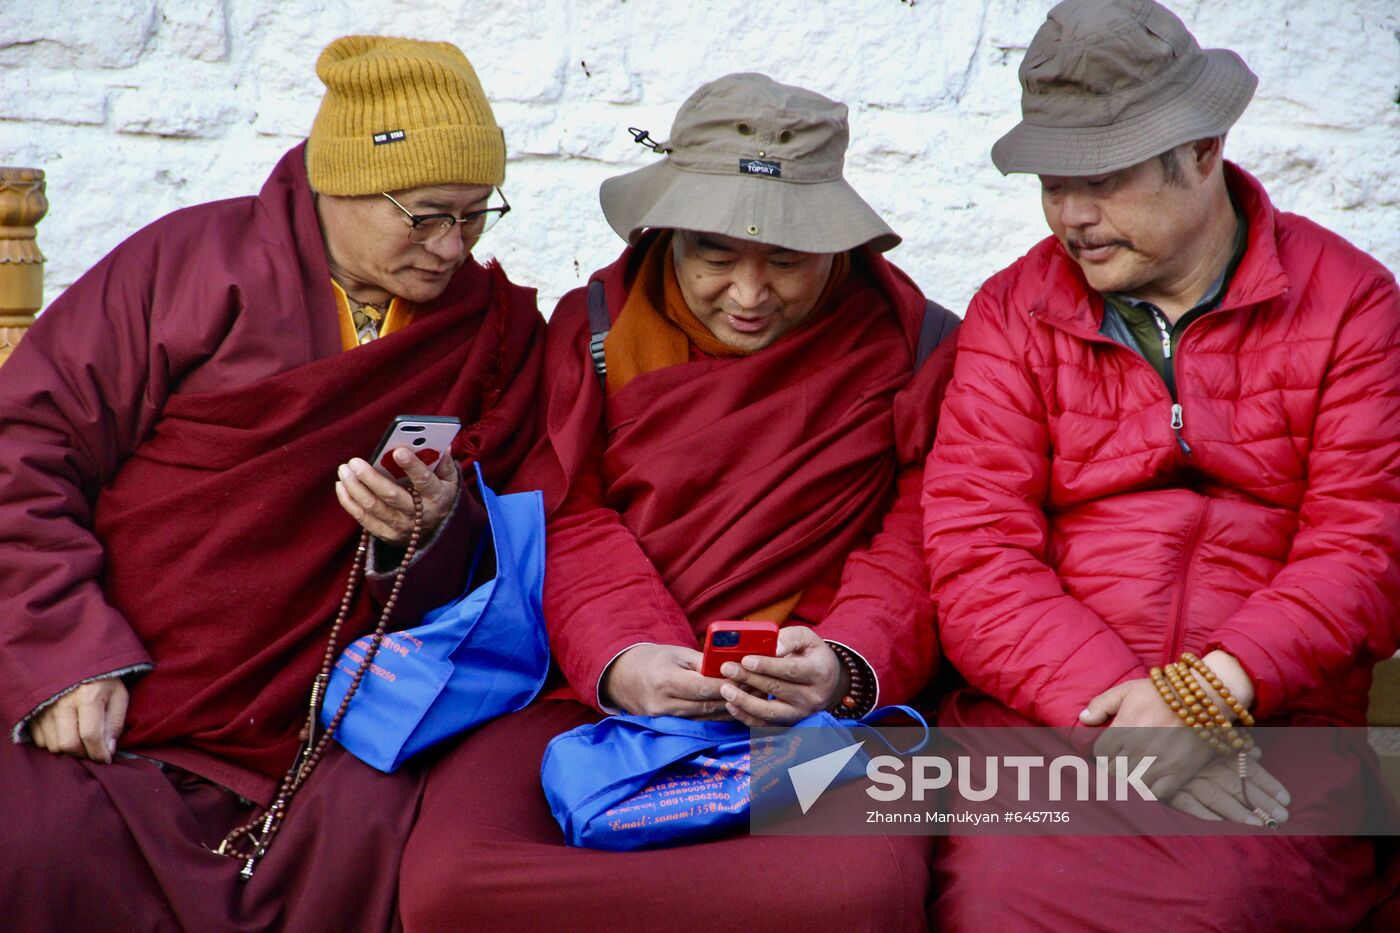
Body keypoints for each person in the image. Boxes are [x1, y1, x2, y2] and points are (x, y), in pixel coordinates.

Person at [0, 36, 542, 931]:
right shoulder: (188, 269)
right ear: (339, 183)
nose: (453, 247)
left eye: (476, 215)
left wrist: (437, 529)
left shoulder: (495, 332)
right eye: (426, 215)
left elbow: (523, 542)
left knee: (380, 853)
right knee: (33, 839)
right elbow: (24, 445)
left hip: (334, 718)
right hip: (122, 677)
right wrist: (61, 655)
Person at [399, 73, 959, 932]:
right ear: (669, 233)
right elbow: (564, 509)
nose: (748, 294)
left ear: (838, 248)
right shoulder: (595, 330)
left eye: (786, 259)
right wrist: (625, 657)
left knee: (857, 895)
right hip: (597, 687)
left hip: (809, 700)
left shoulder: (914, 344)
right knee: (449, 887)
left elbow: (926, 533)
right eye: (717, 255)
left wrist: (844, 669)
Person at [920, 1, 1400, 928]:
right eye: (1053, 183)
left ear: (1204, 151)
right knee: (1005, 900)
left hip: (1272, 718)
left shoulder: (1351, 303)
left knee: (1225, 898)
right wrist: (1123, 722)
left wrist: (1209, 693)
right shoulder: (1013, 311)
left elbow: (1367, 546)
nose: (1073, 216)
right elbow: (977, 555)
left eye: (1103, 177)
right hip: (1048, 714)